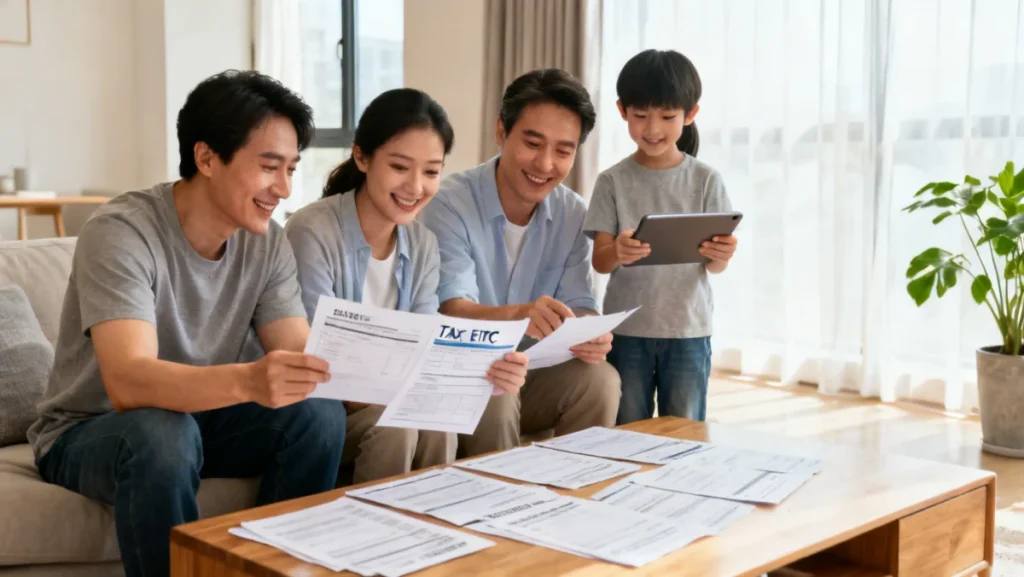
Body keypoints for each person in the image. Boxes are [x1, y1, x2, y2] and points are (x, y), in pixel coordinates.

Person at [26, 70, 346, 577]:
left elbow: (299, 356)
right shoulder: (121, 231)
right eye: (269, 167)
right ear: (207, 158)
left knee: (318, 413)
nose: (284, 189)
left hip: (199, 419)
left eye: (291, 169)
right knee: (162, 432)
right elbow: (129, 382)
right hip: (94, 429)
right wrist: (250, 380)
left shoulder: (268, 243)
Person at [285, 88, 531, 483]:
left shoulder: (422, 243)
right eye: (400, 167)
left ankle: (437, 519)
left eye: (431, 172)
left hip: (390, 395)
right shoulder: (312, 231)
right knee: (400, 423)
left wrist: (488, 368)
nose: (416, 187)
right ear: (362, 157)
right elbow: (314, 355)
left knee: (441, 418)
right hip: (324, 410)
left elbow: (424, 344)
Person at [419, 68, 621, 457]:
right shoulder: (449, 203)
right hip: (465, 373)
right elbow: (452, 308)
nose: (545, 164)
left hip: (533, 372)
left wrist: (589, 333)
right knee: (498, 386)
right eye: (532, 143)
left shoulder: (573, 213)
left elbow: (579, 302)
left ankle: (577, 487)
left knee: (601, 380)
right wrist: (520, 315)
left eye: (563, 151)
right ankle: (497, 494)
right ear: (501, 131)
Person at [583, 49, 739, 425]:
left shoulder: (706, 180)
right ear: (622, 111)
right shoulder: (612, 181)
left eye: (667, 117)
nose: (652, 129)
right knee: (627, 428)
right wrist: (618, 250)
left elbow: (715, 267)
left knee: (684, 430)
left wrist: (722, 254)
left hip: (688, 328)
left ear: (690, 114)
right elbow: (600, 261)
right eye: (640, 115)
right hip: (626, 329)